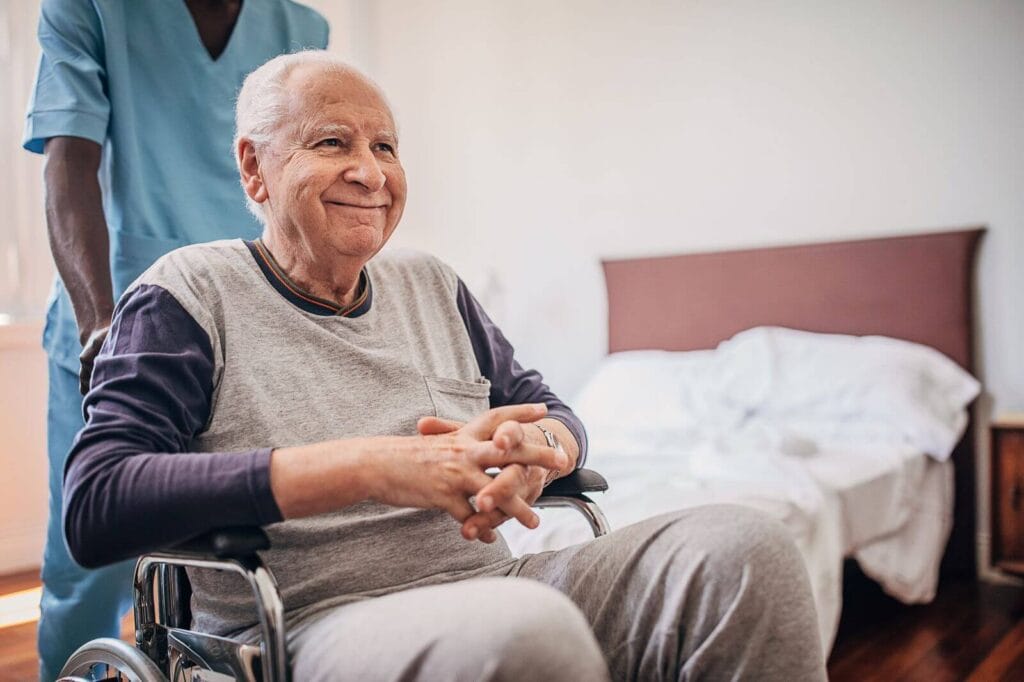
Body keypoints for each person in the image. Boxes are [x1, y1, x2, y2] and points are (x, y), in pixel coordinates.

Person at [62, 51, 828, 680]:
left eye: (386, 147)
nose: (371, 173)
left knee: (747, 549)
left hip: (493, 580)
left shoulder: (431, 284)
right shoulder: (188, 292)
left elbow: (546, 406)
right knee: (521, 634)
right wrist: (369, 465)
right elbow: (97, 501)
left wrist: (541, 453)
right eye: (333, 143)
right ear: (255, 169)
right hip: (309, 622)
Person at [22, 1, 328, 677]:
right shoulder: (92, 10)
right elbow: (68, 158)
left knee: (232, 561)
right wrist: (100, 322)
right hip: (113, 319)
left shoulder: (303, 33)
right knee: (88, 568)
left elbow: (302, 196)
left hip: (250, 325)